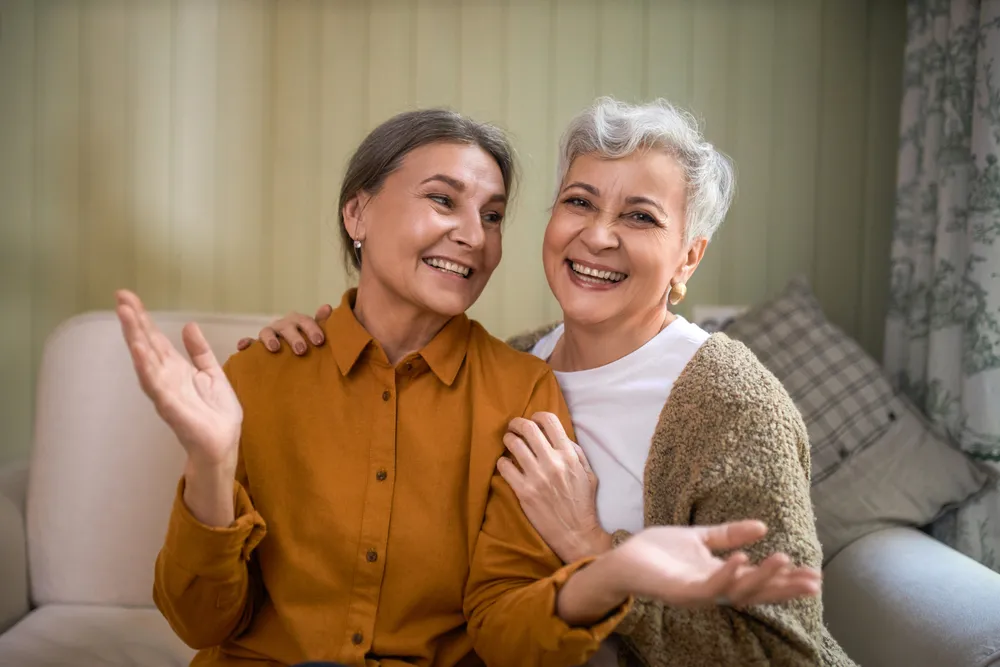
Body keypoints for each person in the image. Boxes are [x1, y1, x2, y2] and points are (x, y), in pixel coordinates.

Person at [117, 107, 820, 667]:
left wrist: (601, 559)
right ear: (357, 213)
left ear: (688, 257)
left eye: (491, 215)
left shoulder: (548, 391)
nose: (473, 236)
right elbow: (201, 620)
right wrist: (213, 459)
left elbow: (507, 625)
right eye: (579, 201)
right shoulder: (274, 370)